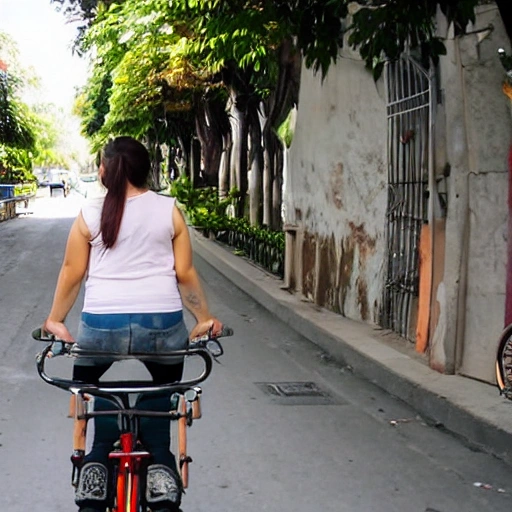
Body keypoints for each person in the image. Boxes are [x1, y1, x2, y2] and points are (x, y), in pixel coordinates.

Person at [43, 136, 223, 512]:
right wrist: (203, 319)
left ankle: (95, 462)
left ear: (104, 172)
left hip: (100, 329)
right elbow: (185, 274)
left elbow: (73, 272)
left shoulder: (88, 214)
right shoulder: (169, 210)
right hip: (162, 326)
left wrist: (55, 321)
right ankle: (159, 464)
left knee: (93, 394)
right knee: (161, 400)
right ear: (145, 170)